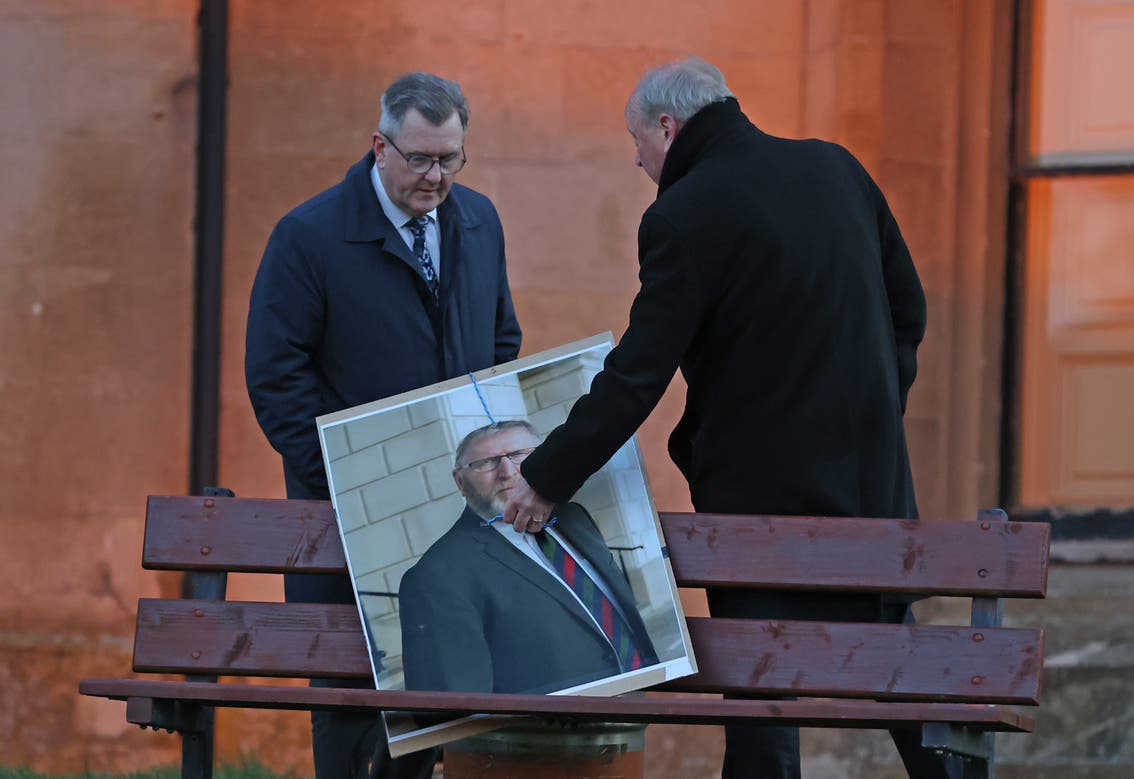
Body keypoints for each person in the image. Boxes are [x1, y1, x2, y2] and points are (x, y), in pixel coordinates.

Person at [504, 58, 957, 778]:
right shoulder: (837, 170)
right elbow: (910, 311)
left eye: (638, 141)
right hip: (868, 485)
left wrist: (546, 475)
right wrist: (871, 409)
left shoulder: (684, 215)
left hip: (758, 502)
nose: (636, 159)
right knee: (899, 675)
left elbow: (638, 374)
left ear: (668, 125)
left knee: (761, 699)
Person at [245, 72, 521, 779]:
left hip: (450, 513)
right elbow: (276, 377)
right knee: (346, 704)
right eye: (420, 158)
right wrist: (349, 473)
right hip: (343, 514)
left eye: (450, 159)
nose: (436, 176)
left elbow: (500, 342)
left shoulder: (479, 221)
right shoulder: (307, 237)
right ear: (379, 147)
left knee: (437, 693)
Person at [398, 420, 659, 696]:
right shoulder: (435, 575)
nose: (507, 472)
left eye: (520, 455)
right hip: (557, 733)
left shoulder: (573, 517)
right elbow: (453, 707)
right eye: (486, 463)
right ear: (459, 481)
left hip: (637, 696)